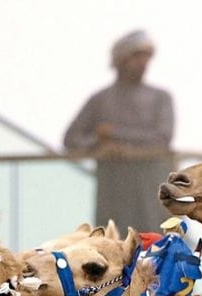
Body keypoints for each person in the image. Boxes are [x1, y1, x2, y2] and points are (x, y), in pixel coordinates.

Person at [63, 29, 175, 231]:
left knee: (154, 241)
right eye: (136, 56)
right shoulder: (101, 100)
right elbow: (71, 139)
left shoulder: (160, 98)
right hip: (113, 190)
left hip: (150, 189)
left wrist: (115, 135)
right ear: (121, 59)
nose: (142, 63)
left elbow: (163, 137)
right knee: (112, 242)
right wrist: (98, 143)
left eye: (146, 57)